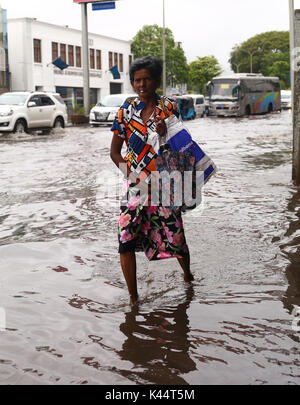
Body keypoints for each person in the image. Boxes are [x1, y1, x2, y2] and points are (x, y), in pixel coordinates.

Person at [110, 56, 194, 305]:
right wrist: (132, 176)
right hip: (135, 183)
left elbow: (182, 146)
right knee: (125, 238)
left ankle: (188, 277)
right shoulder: (125, 112)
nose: (141, 84)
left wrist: (164, 132)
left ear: (156, 80)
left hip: (164, 181)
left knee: (176, 236)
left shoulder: (169, 107)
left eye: (146, 79)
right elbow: (114, 152)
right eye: (137, 80)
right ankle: (133, 298)